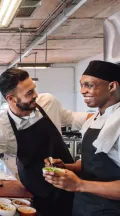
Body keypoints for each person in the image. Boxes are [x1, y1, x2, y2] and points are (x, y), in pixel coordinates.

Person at [0, 68, 90, 216]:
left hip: (70, 183)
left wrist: (104, 116)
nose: (35, 95)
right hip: (37, 193)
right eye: (29, 93)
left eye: (33, 89)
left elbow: (70, 118)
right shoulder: (2, 127)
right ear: (11, 99)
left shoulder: (48, 102)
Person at [43, 60, 120, 215]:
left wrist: (79, 185)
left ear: (112, 86)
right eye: (81, 85)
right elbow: (92, 163)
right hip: (84, 206)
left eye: (89, 85)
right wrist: (67, 167)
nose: (83, 91)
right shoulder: (94, 119)